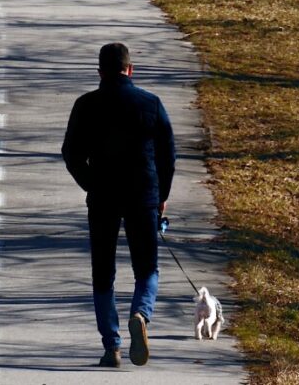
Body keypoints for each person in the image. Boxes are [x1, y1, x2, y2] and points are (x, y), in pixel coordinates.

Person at [61, 43, 176, 368]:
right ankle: (141, 313)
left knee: (103, 273)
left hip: (103, 196)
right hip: (144, 196)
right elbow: (168, 155)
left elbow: (70, 153)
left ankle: (111, 346)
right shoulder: (151, 104)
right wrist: (162, 194)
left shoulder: (86, 105)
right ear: (131, 69)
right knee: (147, 268)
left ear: (99, 72)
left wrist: (90, 183)